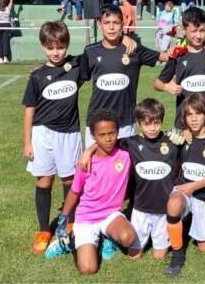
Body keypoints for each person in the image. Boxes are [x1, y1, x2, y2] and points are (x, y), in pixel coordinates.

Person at [76, 99, 179, 261]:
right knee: (134, 256)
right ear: (138, 124)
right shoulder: (131, 143)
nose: (152, 128)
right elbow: (106, 140)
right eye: (146, 124)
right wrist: (88, 150)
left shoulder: (172, 143)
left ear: (162, 121)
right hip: (140, 208)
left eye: (156, 123)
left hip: (162, 209)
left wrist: (185, 135)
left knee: (159, 257)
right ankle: (109, 235)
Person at [22, 21, 86, 254]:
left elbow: (93, 53)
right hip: (42, 134)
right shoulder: (37, 76)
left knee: (69, 180)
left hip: (68, 133)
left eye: (60, 47)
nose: (55, 52)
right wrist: (27, 142)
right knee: (45, 181)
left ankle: (70, 221)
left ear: (67, 45)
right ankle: (43, 230)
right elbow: (29, 110)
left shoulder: (76, 66)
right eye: (50, 48)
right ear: (43, 47)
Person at [53, 109, 136, 276]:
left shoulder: (126, 153)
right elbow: (75, 191)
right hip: (86, 218)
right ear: (93, 135)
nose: (108, 138)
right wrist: (63, 218)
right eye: (102, 135)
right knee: (88, 269)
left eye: (112, 133)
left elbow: (149, 137)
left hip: (111, 214)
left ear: (118, 132)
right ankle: (68, 242)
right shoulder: (86, 162)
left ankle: (108, 237)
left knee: (128, 238)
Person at [78, 5, 167, 148]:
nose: (111, 27)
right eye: (107, 23)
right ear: (100, 25)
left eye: (116, 23)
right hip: (96, 122)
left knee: (122, 168)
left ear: (122, 25)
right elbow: (77, 76)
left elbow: (164, 57)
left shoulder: (134, 49)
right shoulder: (90, 51)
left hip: (124, 123)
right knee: (95, 168)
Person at [163, 93, 205, 277]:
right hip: (183, 190)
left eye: (198, 114)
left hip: (204, 195)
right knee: (174, 204)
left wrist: (195, 186)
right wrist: (179, 132)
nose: (193, 119)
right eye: (189, 115)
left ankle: (193, 220)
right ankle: (177, 255)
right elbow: (156, 137)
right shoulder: (182, 137)